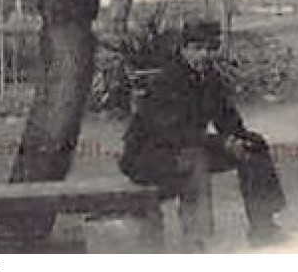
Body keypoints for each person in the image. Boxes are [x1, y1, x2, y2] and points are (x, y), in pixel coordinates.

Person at [119, 18, 286, 248]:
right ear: (184, 49)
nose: (205, 55)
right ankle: (195, 240)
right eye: (197, 49)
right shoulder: (167, 80)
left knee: (253, 145)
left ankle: (263, 224)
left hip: (184, 150)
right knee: (194, 159)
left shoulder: (210, 79)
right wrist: (222, 143)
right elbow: (173, 134)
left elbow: (228, 120)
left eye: (211, 49)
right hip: (147, 156)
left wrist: (238, 138)